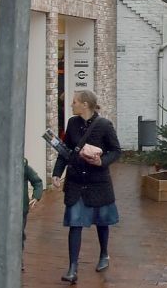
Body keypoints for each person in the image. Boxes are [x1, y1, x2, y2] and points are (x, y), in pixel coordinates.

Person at [52, 90, 121, 284]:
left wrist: (101, 162)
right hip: (75, 182)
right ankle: (72, 268)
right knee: (75, 223)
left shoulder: (105, 126)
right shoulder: (72, 123)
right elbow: (64, 151)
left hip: (98, 182)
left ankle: (104, 254)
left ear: (85, 105)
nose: (71, 105)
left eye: (74, 102)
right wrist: (57, 173)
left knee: (102, 221)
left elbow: (116, 151)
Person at [0, 157, 43, 271]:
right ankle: (3, 258)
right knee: (3, 233)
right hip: (4, 208)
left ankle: (18, 258)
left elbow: (37, 182)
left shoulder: (24, 167)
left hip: (21, 208)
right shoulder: (0, 167)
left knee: (18, 234)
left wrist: (36, 196)